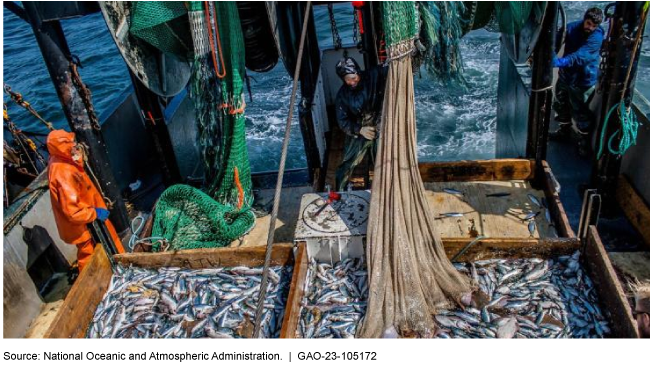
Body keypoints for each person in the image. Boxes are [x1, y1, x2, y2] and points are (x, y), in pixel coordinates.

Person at [47, 130, 124, 272]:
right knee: (88, 256)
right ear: (62, 147)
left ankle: (122, 267)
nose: (75, 145)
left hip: (88, 216)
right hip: (83, 224)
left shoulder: (59, 158)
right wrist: (94, 213)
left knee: (109, 242)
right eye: (70, 143)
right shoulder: (63, 173)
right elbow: (72, 213)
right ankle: (90, 285)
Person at [550, 7, 605, 156]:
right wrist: (551, 53)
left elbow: (581, 56)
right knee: (560, 103)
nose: (590, 28)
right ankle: (564, 131)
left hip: (583, 81)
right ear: (584, 18)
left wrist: (559, 62)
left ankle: (584, 141)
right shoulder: (571, 28)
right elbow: (555, 41)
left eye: (594, 26)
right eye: (588, 23)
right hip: (566, 76)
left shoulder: (597, 37)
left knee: (580, 111)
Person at [334, 57, 388, 190]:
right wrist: (360, 130)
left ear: (358, 72)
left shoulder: (374, 75)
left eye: (354, 77)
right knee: (349, 162)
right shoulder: (342, 96)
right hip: (359, 129)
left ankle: (385, 188)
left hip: (379, 123)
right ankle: (340, 190)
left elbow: (391, 69)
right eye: (347, 79)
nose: (352, 82)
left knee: (383, 159)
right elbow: (343, 121)